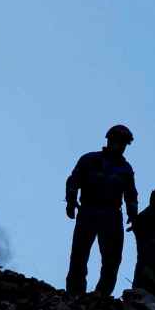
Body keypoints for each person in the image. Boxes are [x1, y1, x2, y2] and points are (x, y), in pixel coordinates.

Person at [64, 124, 140, 296]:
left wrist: (133, 214)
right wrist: (71, 200)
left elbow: (131, 194)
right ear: (109, 140)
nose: (121, 146)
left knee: (112, 260)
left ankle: (101, 296)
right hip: (88, 211)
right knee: (79, 255)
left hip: (112, 216)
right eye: (118, 141)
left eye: (124, 143)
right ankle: (75, 294)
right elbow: (74, 180)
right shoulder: (89, 160)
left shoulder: (125, 169)